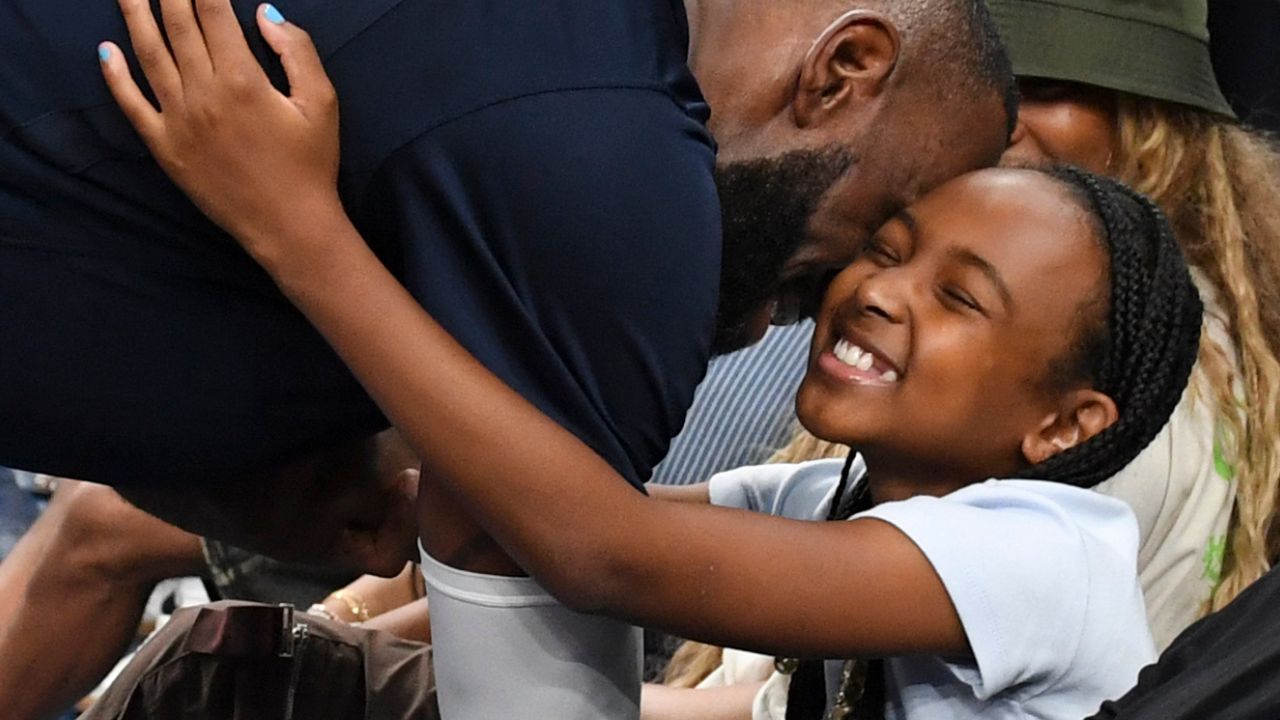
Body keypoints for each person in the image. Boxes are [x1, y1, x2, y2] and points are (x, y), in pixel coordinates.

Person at [99, 17, 1204, 711]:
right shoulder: (838, 493)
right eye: (884, 246)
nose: (874, 290)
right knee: (233, 664)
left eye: (958, 298)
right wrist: (378, 557)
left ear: (1063, 424)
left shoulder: (1048, 557)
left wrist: (294, 227)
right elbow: (561, 501)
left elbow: (604, 551)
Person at [0, 0, 1014, 576]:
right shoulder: (617, 172)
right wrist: (294, 230)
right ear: (843, 67)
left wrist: (267, 475)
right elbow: (570, 592)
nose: (849, 278)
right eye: (888, 217)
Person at [986, 0, 1280, 648]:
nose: (1002, 117)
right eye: (985, 81)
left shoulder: (1128, 359)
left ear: (1153, 124)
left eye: (1047, 89)